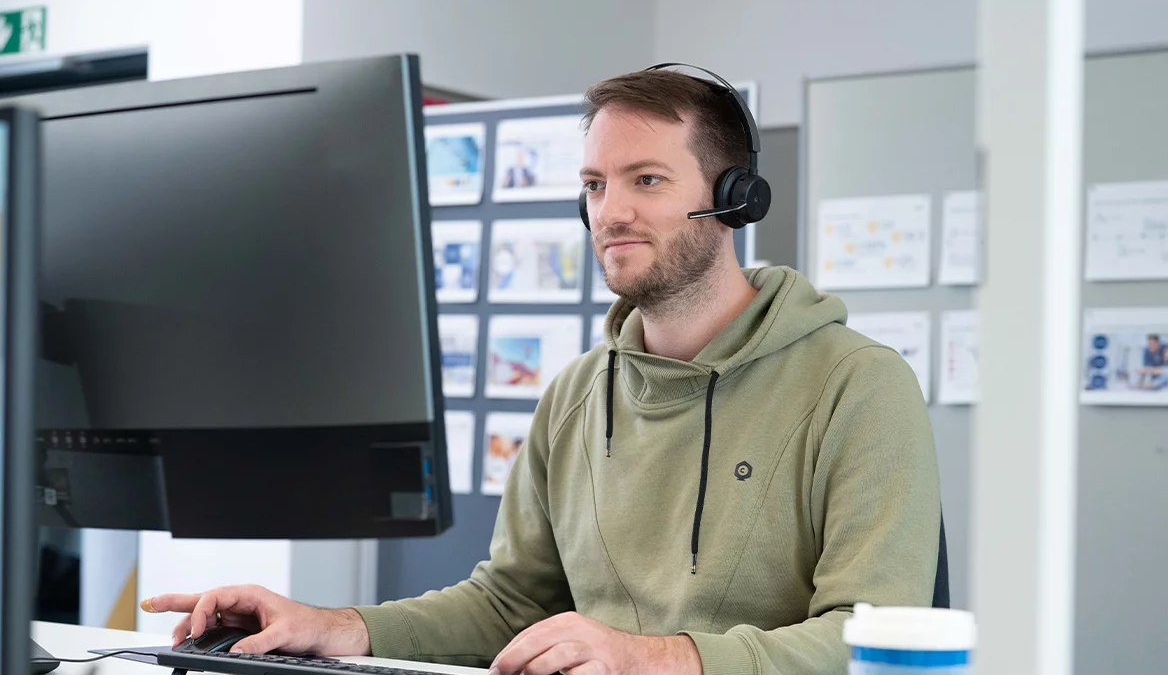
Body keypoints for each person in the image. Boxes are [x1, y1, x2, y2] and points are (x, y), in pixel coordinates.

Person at [141, 68, 942, 675]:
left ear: (734, 198)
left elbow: (872, 640)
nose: (610, 212)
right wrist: (334, 625)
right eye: (594, 185)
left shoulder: (857, 385)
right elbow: (509, 602)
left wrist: (651, 658)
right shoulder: (575, 394)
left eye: (647, 180)